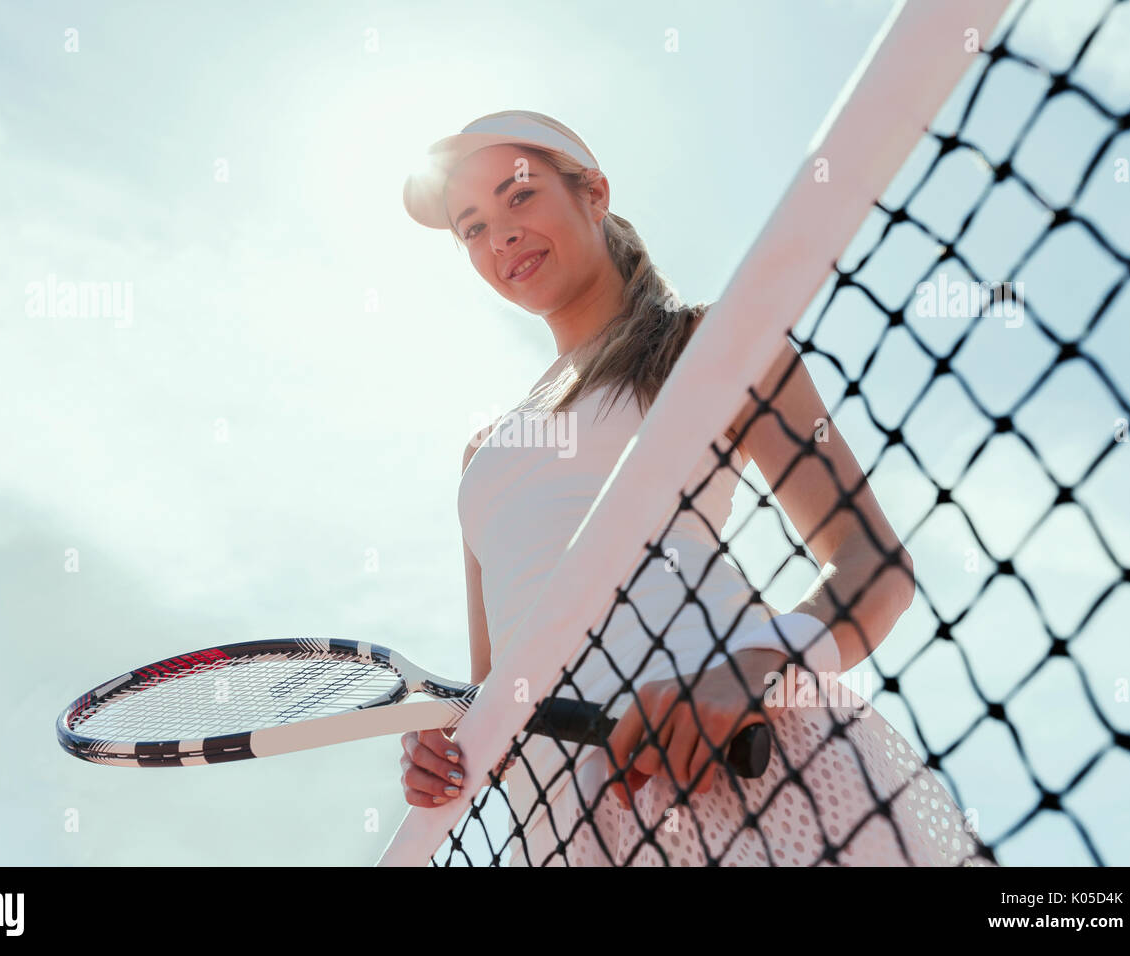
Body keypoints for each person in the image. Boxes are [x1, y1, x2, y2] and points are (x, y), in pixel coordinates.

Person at [396, 110, 996, 866]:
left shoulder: (709, 341)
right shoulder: (480, 452)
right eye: (472, 227)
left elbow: (874, 566)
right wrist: (446, 752)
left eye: (519, 197)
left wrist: (756, 667)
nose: (501, 236)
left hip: (739, 769)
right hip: (560, 826)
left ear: (593, 193)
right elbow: (494, 690)